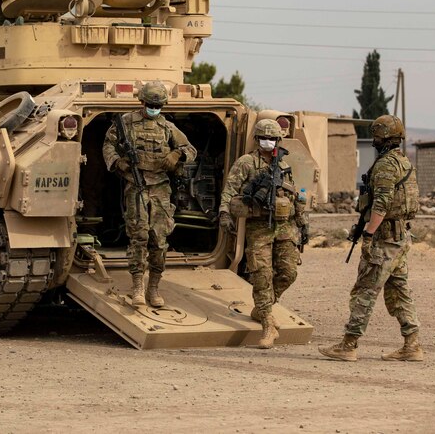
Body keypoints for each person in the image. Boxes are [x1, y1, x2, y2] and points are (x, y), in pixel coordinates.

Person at [319, 114, 423, 363]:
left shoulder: (386, 165)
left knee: (364, 291)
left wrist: (368, 234)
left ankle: (348, 344)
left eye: (376, 135)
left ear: (383, 137)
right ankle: (412, 345)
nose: (374, 140)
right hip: (399, 238)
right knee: (399, 291)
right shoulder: (403, 162)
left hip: (385, 240)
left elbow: (382, 204)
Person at [103, 81, 196, 308]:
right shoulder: (125, 123)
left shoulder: (167, 127)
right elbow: (108, 145)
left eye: (158, 105)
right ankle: (137, 287)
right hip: (135, 186)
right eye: (150, 104)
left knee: (159, 240)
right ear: (142, 102)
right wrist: (119, 163)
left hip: (160, 188)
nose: (154, 108)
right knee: (138, 237)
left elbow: (190, 150)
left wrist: (176, 155)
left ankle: (153, 287)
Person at [219, 116, 307, 349]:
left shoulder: (284, 164)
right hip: (259, 227)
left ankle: (261, 308)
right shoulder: (246, 162)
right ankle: (268, 323)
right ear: (257, 139)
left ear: (278, 139)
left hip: (284, 226)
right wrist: (224, 213)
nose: (268, 142)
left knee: (288, 272)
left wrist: (301, 219)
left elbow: (295, 192)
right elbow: (230, 189)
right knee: (261, 275)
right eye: (263, 138)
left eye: (272, 138)